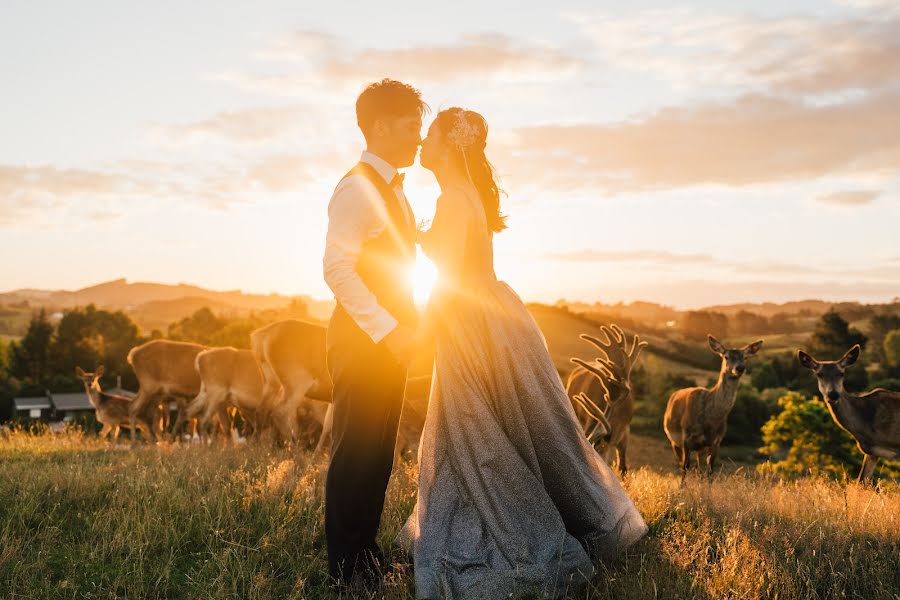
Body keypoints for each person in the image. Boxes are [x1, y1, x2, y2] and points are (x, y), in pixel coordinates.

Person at [398, 107, 648, 599]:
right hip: (492, 314)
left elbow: (444, 266)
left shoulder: (453, 198)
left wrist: (403, 229)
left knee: (474, 430)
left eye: (431, 137)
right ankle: (567, 515)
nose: (424, 144)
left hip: (468, 323)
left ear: (450, 147)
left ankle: (521, 540)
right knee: (507, 427)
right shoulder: (466, 195)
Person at [322, 78, 429, 587]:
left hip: (389, 343)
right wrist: (390, 333)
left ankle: (364, 555)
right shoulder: (356, 188)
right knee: (355, 453)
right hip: (363, 343)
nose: (419, 137)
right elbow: (337, 271)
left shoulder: (394, 190)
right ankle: (345, 570)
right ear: (381, 126)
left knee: (379, 453)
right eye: (413, 126)